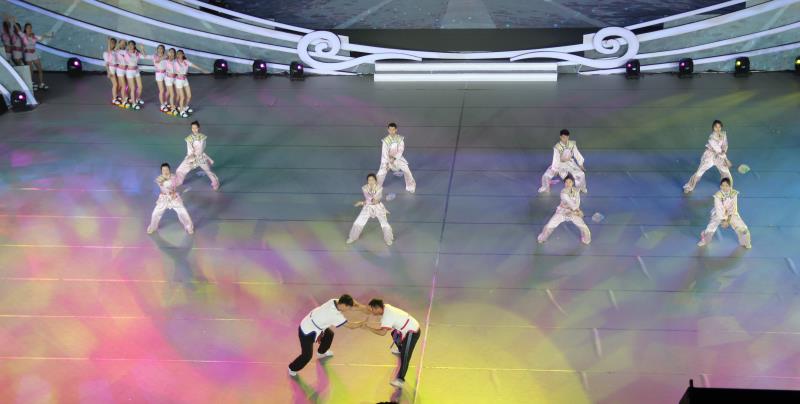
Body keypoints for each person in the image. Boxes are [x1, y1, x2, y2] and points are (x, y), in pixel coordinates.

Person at [288, 294, 364, 376]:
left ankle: (321, 352)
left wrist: (357, 305)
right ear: (343, 304)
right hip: (307, 331)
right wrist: (363, 323)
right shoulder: (335, 315)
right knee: (307, 356)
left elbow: (351, 304)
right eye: (348, 307)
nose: (348, 310)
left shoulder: (333, 301)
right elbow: (351, 326)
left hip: (313, 321)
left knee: (329, 334)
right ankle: (292, 368)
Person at [363, 298, 421, 389]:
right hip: (405, 327)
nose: (372, 312)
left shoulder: (387, 316)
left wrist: (368, 328)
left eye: (372, 309)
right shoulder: (386, 307)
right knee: (394, 334)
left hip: (412, 331)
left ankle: (400, 380)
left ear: (377, 308)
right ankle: (401, 349)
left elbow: (382, 333)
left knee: (405, 356)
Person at [697, 178, 751, 248]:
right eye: (722, 185)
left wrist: (728, 220)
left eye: (726, 185)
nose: (724, 187)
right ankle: (705, 239)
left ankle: (745, 242)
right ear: (720, 186)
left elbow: (733, 208)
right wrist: (723, 220)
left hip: (731, 214)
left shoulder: (734, 193)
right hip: (719, 213)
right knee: (711, 227)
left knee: (742, 228)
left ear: (730, 186)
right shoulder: (718, 195)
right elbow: (718, 208)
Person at [537, 175, 591, 244]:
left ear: (573, 183)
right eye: (566, 182)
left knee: (584, 227)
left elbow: (577, 202)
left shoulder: (576, 191)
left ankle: (586, 240)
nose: (568, 184)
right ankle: (542, 238)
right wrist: (578, 211)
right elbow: (571, 203)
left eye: (570, 182)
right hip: (562, 212)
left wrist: (577, 211)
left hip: (573, 213)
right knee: (549, 226)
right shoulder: (563, 193)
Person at [683, 120, 732, 193]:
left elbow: (725, 145)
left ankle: (726, 187)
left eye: (719, 127)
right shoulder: (711, 138)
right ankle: (689, 186)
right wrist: (726, 160)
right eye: (716, 127)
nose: (718, 129)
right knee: (699, 172)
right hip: (710, 156)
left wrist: (724, 151)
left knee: (726, 172)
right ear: (713, 128)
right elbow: (718, 150)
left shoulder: (723, 134)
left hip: (720, 156)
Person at [347, 173, 393, 246]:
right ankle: (353, 237)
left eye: (372, 180)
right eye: (369, 180)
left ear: (375, 180)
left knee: (384, 223)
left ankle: (388, 239)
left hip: (378, 207)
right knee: (358, 222)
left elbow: (375, 200)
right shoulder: (364, 188)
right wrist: (365, 202)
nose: (371, 181)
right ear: (367, 181)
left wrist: (361, 203)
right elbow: (369, 199)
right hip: (367, 207)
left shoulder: (380, 188)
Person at [146, 163, 194, 234]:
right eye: (163, 170)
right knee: (155, 213)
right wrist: (166, 181)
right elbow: (163, 185)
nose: (165, 171)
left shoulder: (174, 178)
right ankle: (153, 227)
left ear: (169, 170)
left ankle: (189, 227)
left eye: (167, 169)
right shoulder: (159, 179)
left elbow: (178, 184)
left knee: (183, 212)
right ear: (161, 171)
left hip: (174, 198)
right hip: (164, 199)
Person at [538, 129, 587, 194]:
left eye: (567, 137)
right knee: (546, 175)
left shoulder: (572, 144)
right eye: (563, 137)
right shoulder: (557, 147)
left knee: (581, 174)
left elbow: (577, 153)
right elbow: (555, 158)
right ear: (560, 137)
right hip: (559, 163)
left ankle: (581, 188)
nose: (565, 139)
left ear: (568, 137)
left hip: (569, 163)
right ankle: (545, 187)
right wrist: (555, 169)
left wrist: (581, 164)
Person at [175, 121, 220, 190]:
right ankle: (179, 181)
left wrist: (197, 154)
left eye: (195, 128)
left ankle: (215, 182)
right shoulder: (189, 138)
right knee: (180, 169)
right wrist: (191, 156)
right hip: (191, 157)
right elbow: (189, 148)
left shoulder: (202, 137)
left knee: (208, 171)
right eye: (193, 128)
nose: (194, 129)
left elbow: (202, 147)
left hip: (200, 157)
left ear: (198, 128)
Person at [376, 122, 416, 193]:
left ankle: (410, 186)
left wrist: (394, 158)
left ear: (396, 130)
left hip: (398, 158)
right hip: (388, 159)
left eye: (393, 130)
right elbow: (384, 153)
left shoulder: (400, 139)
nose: (391, 131)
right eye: (390, 130)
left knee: (407, 171)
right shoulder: (385, 140)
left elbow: (401, 150)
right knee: (381, 173)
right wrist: (387, 162)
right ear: (388, 130)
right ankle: (377, 187)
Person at [174, 49, 209, 117]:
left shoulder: (186, 61)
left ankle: (184, 107)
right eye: (177, 54)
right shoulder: (175, 62)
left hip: (185, 80)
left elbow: (194, 66)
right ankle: (181, 111)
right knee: (182, 97)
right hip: (178, 81)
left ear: (183, 54)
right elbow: (173, 70)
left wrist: (203, 70)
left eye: (180, 53)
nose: (179, 55)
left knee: (189, 96)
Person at [21, 23, 52, 90]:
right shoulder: (23, 36)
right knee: (31, 71)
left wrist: (46, 35)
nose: (29, 29)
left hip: (34, 54)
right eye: (28, 28)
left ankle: (41, 84)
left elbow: (40, 38)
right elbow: (24, 44)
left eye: (30, 27)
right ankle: (31, 84)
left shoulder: (33, 35)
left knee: (40, 69)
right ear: (25, 29)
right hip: (28, 55)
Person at [123, 40, 146, 110]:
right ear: (128, 46)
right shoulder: (125, 52)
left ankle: (137, 99)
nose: (130, 46)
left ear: (134, 46)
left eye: (132, 44)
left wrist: (142, 49)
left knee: (140, 87)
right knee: (133, 88)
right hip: (129, 71)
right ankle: (133, 103)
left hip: (136, 71)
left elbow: (144, 56)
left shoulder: (137, 53)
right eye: (129, 45)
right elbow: (116, 51)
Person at [102, 38, 120, 105]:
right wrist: (108, 72)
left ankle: (116, 96)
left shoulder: (115, 52)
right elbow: (106, 63)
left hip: (117, 69)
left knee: (119, 84)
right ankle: (114, 99)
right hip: (111, 69)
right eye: (111, 43)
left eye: (113, 43)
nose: (112, 44)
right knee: (115, 84)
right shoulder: (106, 53)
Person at [114, 39, 128, 106]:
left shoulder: (127, 51)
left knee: (121, 85)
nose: (123, 44)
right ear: (119, 44)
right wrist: (119, 45)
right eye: (121, 43)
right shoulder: (117, 51)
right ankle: (123, 100)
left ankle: (117, 96)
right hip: (120, 70)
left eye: (124, 43)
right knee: (124, 85)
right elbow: (115, 50)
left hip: (126, 70)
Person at [163, 48, 177, 114]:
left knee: (169, 91)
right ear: (168, 53)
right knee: (172, 93)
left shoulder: (176, 60)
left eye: (172, 52)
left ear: (174, 53)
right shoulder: (166, 60)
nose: (171, 53)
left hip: (175, 78)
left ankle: (166, 102)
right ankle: (172, 108)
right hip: (168, 78)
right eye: (170, 52)